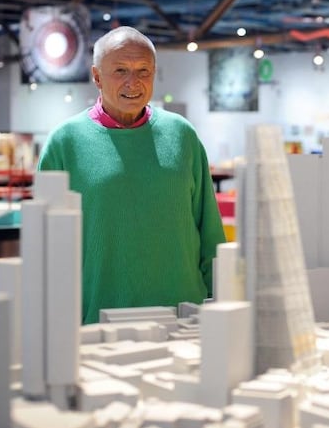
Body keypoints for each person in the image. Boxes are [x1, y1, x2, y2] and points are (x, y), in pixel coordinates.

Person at [37, 26, 226, 324]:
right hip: (98, 319)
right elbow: (44, 248)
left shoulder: (182, 136)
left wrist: (221, 306)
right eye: (121, 70)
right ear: (96, 76)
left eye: (143, 71)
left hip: (184, 317)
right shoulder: (65, 143)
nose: (133, 82)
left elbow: (210, 231)